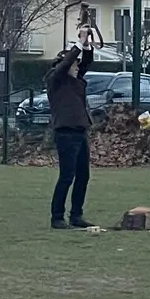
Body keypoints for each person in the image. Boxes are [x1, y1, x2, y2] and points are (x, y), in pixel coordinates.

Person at [46, 40, 96, 230]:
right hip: (66, 133)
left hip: (80, 131)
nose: (78, 68)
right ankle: (57, 217)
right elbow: (66, 64)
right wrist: (78, 44)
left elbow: (87, 62)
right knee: (67, 176)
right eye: (75, 64)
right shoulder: (56, 80)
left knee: (83, 176)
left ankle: (76, 215)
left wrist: (86, 45)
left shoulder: (75, 81)